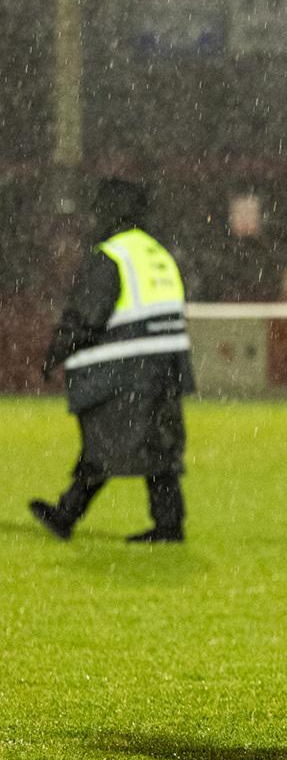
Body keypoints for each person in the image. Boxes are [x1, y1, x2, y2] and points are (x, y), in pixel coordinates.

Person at [30, 179, 195, 544]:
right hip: (166, 368)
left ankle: (66, 515)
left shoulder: (112, 255)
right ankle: (169, 525)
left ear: (110, 213)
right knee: (158, 450)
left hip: (127, 370)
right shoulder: (157, 253)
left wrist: (56, 352)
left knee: (103, 444)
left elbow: (87, 316)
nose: (93, 220)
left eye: (97, 211)